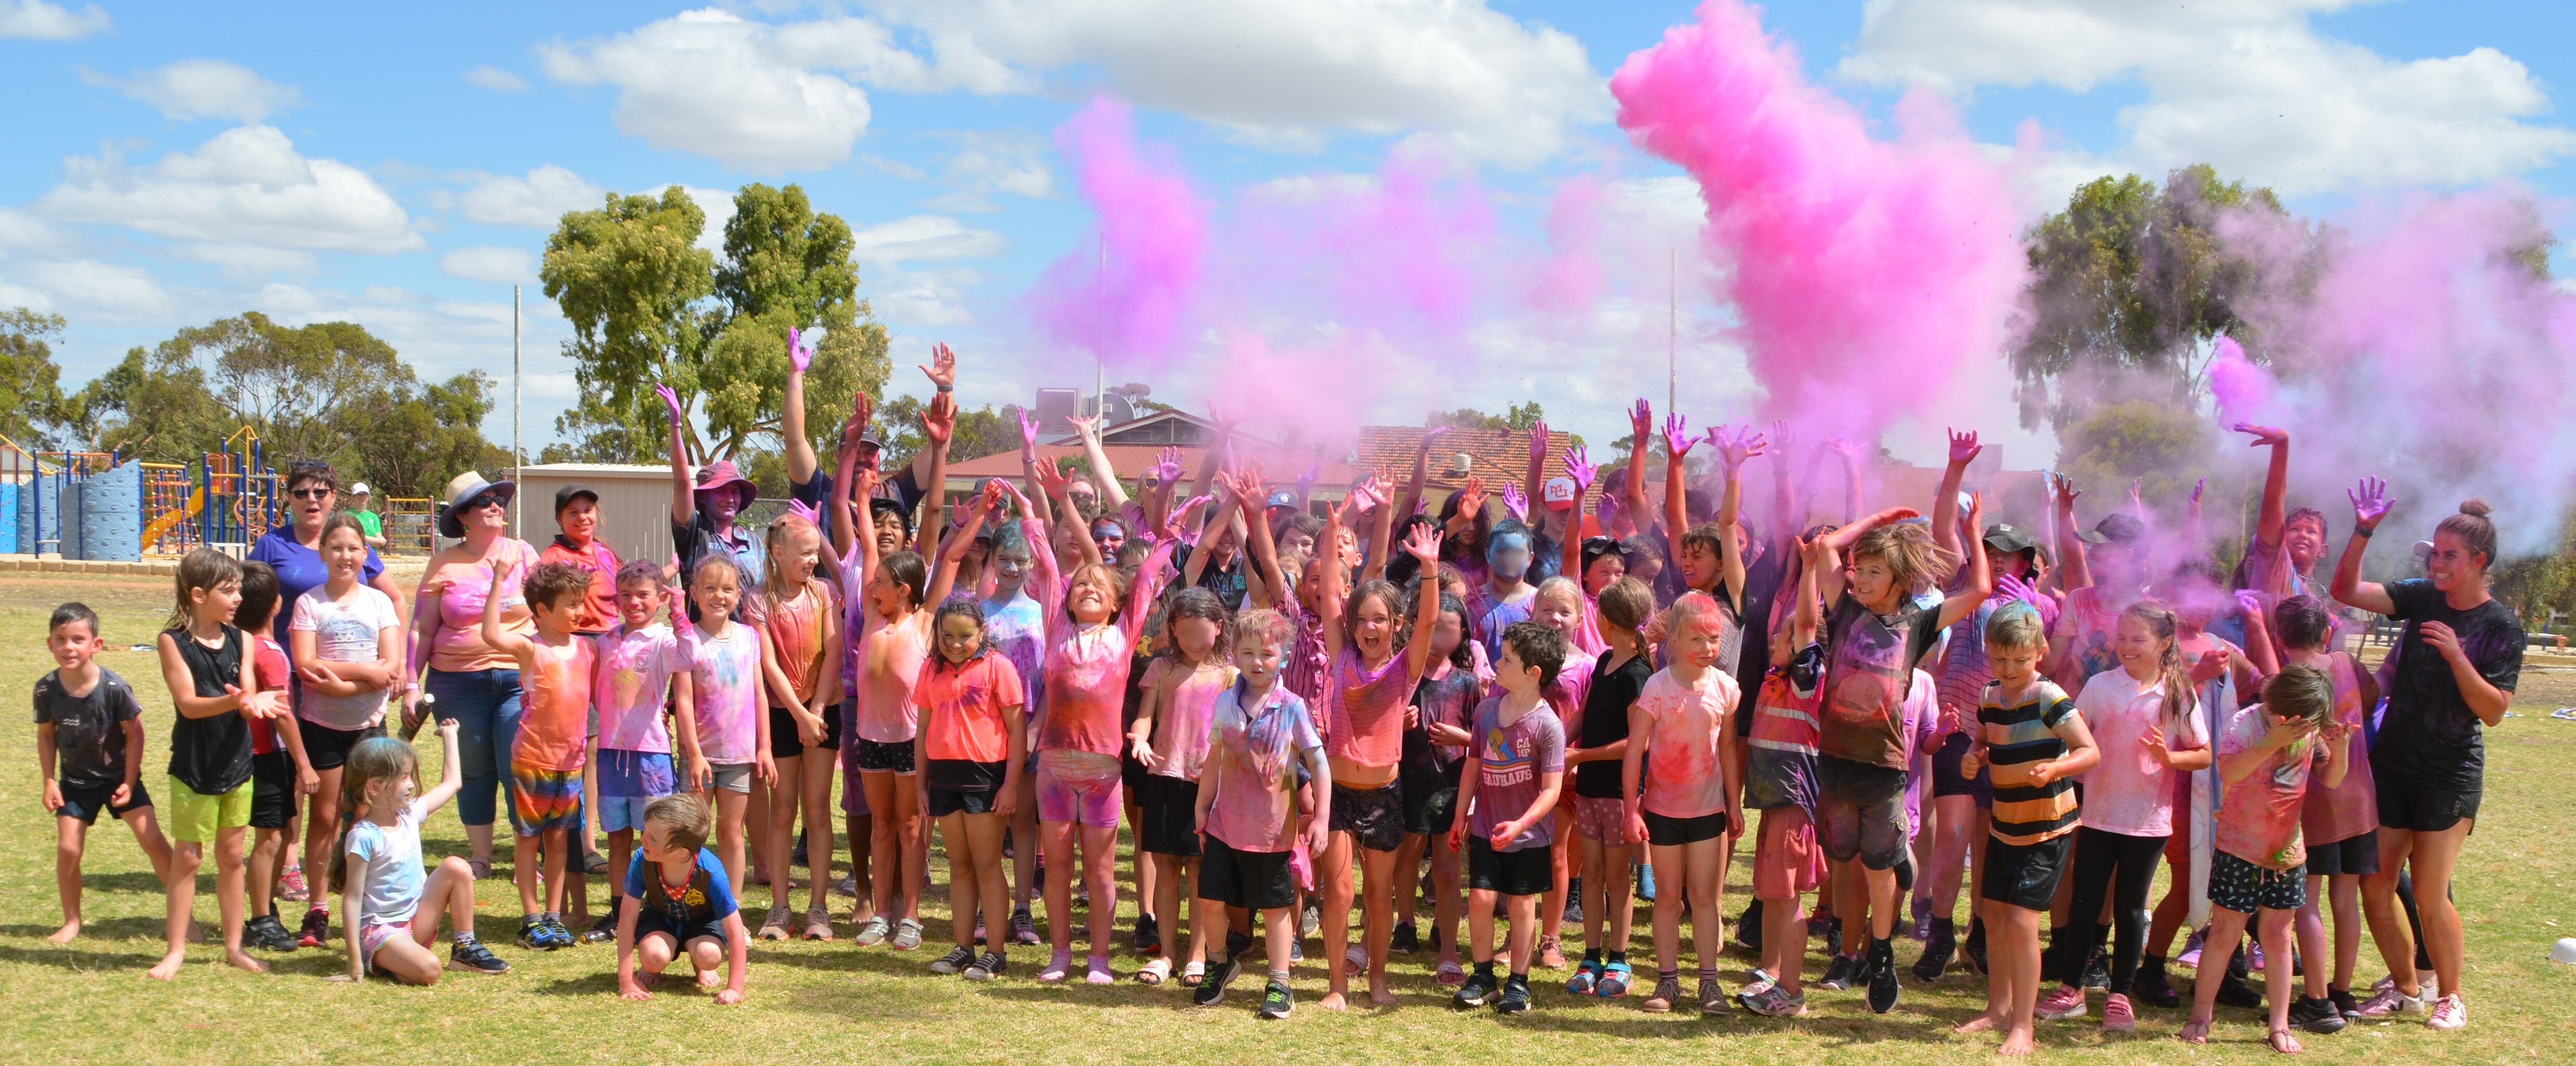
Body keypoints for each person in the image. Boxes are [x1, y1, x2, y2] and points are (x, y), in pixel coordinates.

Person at [2331, 489, 2520, 1030]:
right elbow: (2347, 590)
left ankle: (2451, 996)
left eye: (2449, 556)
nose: (2436, 564)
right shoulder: (2421, 597)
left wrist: (2458, 656)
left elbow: (2495, 711)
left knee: (2433, 895)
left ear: (2479, 561)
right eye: (2433, 554)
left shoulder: (2501, 626)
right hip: (2394, 765)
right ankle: (2408, 989)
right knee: (2375, 883)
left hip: (2448, 772)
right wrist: (2363, 529)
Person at [1810, 493, 1994, 1013]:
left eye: (1875, 572)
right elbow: (1826, 547)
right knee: (1845, 862)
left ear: (1901, 581)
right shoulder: (1844, 610)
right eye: (1860, 570)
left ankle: (1883, 952)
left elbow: (1980, 588)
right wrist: (1875, 522)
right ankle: (1849, 951)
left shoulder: (1917, 621)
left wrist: (1974, 530)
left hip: (1885, 767)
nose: (1862, 580)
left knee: (1876, 868)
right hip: (1837, 762)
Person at [1024, 452, 1177, 985]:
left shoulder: (1123, 634)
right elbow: (1046, 560)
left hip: (1103, 771)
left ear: (1116, 603)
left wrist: (1169, 535)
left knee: (1102, 869)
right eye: (1081, 584)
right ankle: (1060, 954)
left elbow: (1152, 574)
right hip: (1054, 767)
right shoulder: (1056, 630)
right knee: (1059, 868)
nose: (1088, 587)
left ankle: (1099, 959)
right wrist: (1036, 505)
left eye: (1099, 585)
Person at [2038, 602, 2210, 1031]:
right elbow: (2073, 740)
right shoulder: (2099, 686)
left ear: (2164, 644)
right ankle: (2070, 989)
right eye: (2122, 637)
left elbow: (2203, 753)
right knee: (2085, 902)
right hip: (2097, 814)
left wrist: (2166, 756)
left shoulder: (2177, 692)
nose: (2126, 647)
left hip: (2147, 820)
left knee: (2131, 908)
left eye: (2138, 640)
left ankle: (2119, 996)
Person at [251, 460, 406, 902]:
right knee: (299, 779)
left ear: (335, 496)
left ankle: (347, 873)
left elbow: (392, 599)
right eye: (301, 493)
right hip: (293, 677)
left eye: (320, 492)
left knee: (354, 797)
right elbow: (251, 604)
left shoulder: (352, 546)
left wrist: (394, 671)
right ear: (288, 498)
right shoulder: (270, 545)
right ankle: (292, 866)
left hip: (354, 694)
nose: (311, 500)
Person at [1313, 502, 1446, 1009]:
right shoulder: (1342, 655)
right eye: (1362, 619)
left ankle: (1378, 982)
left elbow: (1430, 620)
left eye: (1380, 620)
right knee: (1340, 893)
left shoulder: (1403, 671)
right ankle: (1337, 986)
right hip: (1341, 796)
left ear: (1396, 625)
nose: (1370, 628)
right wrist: (1331, 533)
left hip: (1386, 797)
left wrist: (1430, 568)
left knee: (1377, 896)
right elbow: (1329, 592)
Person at [1952, 601, 2096, 1056]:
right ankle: (1998, 1009)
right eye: (1999, 659)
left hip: (2046, 829)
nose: (2008, 668)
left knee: (2020, 922)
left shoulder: (2050, 697)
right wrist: (1973, 756)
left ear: (2038, 653)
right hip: (2004, 825)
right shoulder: (1989, 695)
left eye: (2018, 659)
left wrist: (2056, 770)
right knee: (1992, 916)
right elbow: (1982, 739)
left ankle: (2023, 1026)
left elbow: (2088, 751)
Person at [2182, 666, 2351, 1053]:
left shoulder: (2307, 727)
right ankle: (2200, 1015)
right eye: (2286, 716)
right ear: (2275, 701)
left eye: (2302, 721)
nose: (2292, 725)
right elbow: (2228, 772)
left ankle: (2279, 1023)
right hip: (2238, 846)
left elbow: (2332, 780)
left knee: (2277, 937)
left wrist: (2339, 751)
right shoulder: (2245, 723)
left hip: (2286, 852)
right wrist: (2271, 742)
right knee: (2225, 932)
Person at [840, 471, 975, 951]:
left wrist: (978, 516)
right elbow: (868, 547)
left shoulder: (924, 622)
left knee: (913, 825)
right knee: (881, 824)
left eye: (880, 583)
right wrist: (861, 496)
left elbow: (954, 556)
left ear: (904, 589)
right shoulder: (873, 617)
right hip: (871, 738)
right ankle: (881, 913)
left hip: (910, 741)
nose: (871, 586)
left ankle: (912, 916)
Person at [149, 547, 289, 980]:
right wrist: (237, 700)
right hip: (194, 767)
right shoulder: (171, 642)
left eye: (238, 590)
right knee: (188, 859)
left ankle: (234, 947)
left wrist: (256, 704)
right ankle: (175, 950)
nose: (237, 599)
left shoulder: (242, 640)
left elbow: (247, 704)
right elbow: (189, 705)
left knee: (231, 857)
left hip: (237, 765)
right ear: (197, 594)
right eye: (228, 591)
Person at [1189, 608, 1330, 1018]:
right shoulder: (1223, 704)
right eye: (1248, 652)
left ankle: (1279, 983)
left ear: (1284, 657)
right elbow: (1214, 760)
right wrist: (1201, 808)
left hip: (1272, 830)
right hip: (1222, 825)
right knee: (1211, 900)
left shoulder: (1292, 707)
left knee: (1274, 909)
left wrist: (1320, 818)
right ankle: (1219, 962)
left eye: (1267, 654)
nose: (1257, 662)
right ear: (1233, 652)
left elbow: (1319, 764)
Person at [404, 470, 541, 878]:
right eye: (484, 501)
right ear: (463, 516)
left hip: (518, 679)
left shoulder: (523, 553)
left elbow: (547, 610)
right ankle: (480, 856)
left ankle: (525, 859)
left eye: (498, 499)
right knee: (474, 768)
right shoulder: (443, 563)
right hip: (456, 681)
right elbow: (422, 628)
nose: (496, 506)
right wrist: (411, 684)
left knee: (518, 766)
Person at [1620, 591, 1744, 1015]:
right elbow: (1635, 749)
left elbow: (1727, 749)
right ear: (1673, 639)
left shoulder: (1726, 689)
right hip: (1662, 812)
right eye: (1696, 639)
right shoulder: (1656, 686)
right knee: (1669, 897)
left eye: (1714, 639)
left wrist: (1733, 802)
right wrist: (1630, 809)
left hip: (1708, 812)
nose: (1707, 648)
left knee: (1705, 898)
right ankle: (1668, 982)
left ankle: (1710, 985)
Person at [288, 512, 403, 950]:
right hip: (322, 726)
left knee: (370, 818)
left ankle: (369, 911)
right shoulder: (309, 604)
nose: (345, 556)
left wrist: (353, 681)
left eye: (354, 548)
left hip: (370, 726)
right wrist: (365, 674)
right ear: (322, 553)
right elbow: (306, 665)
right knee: (324, 818)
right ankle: (318, 909)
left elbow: (391, 666)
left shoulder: (379, 603)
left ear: (365, 553)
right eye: (336, 547)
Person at [1448, 620, 1571, 1016]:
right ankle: (1483, 977)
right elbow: (1472, 765)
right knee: (1481, 899)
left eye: (1506, 659)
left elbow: (1551, 791)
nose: (1497, 664)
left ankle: (1518, 982)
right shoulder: (1485, 711)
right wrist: (1460, 815)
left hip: (1528, 837)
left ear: (1533, 673)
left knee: (1521, 905)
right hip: (1485, 826)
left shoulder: (1547, 725)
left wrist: (1520, 825)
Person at [476, 557, 597, 951]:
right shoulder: (531, 649)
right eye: (571, 604)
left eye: (582, 602)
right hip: (532, 760)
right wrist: (498, 580)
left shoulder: (586, 650)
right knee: (529, 840)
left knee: (559, 839)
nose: (580, 612)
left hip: (571, 763)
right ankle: (531, 919)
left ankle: (553, 916)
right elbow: (491, 633)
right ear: (543, 611)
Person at [36, 602, 174, 944]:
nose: (69, 647)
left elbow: (135, 733)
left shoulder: (114, 688)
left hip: (118, 781)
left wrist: (129, 782)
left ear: (95, 645)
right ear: (50, 644)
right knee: (69, 849)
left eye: (78, 639)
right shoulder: (45, 689)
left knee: (154, 842)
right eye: (61, 639)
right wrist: (50, 782)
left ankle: (182, 918)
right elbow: (46, 735)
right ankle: (72, 921)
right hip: (75, 784)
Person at [2274, 594, 2380, 1033]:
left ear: (2281, 637)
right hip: (2361, 800)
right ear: (2325, 632)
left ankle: (2317, 1001)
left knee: (2308, 903)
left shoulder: (2288, 680)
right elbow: (2372, 697)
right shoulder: (2345, 662)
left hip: (2315, 805)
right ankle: (2341, 992)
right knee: (2346, 900)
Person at [330, 726, 510, 982]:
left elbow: (453, 783)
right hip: (380, 932)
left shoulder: (409, 815)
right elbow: (353, 900)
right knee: (430, 970)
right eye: (403, 777)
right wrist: (354, 964)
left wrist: (451, 736)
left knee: (457, 867)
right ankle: (397, 961)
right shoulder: (364, 836)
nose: (412, 785)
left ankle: (464, 948)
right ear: (375, 787)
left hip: (415, 922)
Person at [1736, 537, 1829, 1018]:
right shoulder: (1775, 681)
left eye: (1781, 639)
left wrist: (1809, 568)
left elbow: (1807, 627)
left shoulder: (1804, 681)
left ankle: (1791, 994)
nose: (1774, 644)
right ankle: (1773, 974)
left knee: (1788, 898)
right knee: (1772, 894)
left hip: (1794, 804)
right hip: (1773, 804)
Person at [914, 597, 1028, 980]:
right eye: (947, 635)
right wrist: (920, 784)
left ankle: (995, 953)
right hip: (944, 777)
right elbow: (922, 733)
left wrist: (1010, 785)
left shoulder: (1000, 668)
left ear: (982, 632)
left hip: (985, 776)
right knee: (959, 866)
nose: (955, 643)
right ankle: (963, 947)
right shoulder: (931, 668)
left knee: (987, 865)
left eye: (965, 636)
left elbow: (1017, 732)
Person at [1129, 587, 1237, 986]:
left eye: (1201, 634)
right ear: (1172, 631)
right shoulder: (1161, 669)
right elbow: (1145, 716)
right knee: (1165, 869)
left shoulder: (1230, 674)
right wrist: (1139, 738)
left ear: (1219, 628)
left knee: (1199, 872)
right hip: (1164, 778)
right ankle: (1167, 955)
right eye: (1184, 634)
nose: (1192, 643)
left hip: (1207, 786)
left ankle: (1198, 954)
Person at [589, 560, 699, 945]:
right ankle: (620, 912)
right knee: (617, 838)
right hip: (610, 755)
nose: (634, 602)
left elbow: (691, 658)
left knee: (653, 839)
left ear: (658, 597)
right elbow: (595, 693)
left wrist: (680, 613)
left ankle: (654, 910)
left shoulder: (663, 640)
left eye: (643, 595)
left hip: (650, 756)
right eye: (626, 595)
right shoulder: (605, 641)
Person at [754, 512, 844, 942]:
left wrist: (818, 710)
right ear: (777, 553)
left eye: (816, 553)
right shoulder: (759, 600)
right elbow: (767, 663)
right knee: (782, 808)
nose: (813, 561)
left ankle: (819, 908)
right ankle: (779, 907)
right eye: (805, 553)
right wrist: (799, 714)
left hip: (823, 710)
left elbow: (834, 652)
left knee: (817, 809)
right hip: (781, 711)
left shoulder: (824, 593)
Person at [1565, 577, 1656, 999]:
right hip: (1588, 789)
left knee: (1618, 877)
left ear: (1604, 618)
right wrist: (1559, 746)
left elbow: (1638, 743)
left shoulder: (1638, 674)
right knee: (1592, 873)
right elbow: (1581, 717)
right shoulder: (1603, 662)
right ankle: (1591, 956)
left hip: (1621, 792)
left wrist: (1580, 757)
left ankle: (1619, 958)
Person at [1406, 590, 1487, 986]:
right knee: (1401, 862)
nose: (1438, 635)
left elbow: (1485, 739)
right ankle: (1402, 927)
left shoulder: (1467, 682)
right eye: (1431, 627)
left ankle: (1448, 949)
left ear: (1463, 635)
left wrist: (1461, 737)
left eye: (1447, 628)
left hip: (1450, 785)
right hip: (1407, 779)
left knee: (1446, 869)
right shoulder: (1405, 675)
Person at [235, 561, 317, 953]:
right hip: (267, 756)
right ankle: (261, 918)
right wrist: (303, 763)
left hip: (242, 756)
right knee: (269, 839)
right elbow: (282, 714)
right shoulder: (270, 653)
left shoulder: (233, 643)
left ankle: (261, 911)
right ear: (276, 604)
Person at [677, 553, 772, 893]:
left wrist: (765, 748)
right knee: (691, 835)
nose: (719, 596)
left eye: (727, 589)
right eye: (710, 588)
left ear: (738, 595)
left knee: (732, 833)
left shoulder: (749, 638)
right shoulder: (687, 639)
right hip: (699, 757)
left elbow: (759, 694)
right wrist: (694, 754)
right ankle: (688, 906)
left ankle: (730, 909)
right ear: (694, 593)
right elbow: (684, 701)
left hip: (739, 757)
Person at [616, 792, 752, 1004]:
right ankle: (652, 966)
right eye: (645, 831)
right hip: (659, 918)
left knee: (709, 956)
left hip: (702, 923)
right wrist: (627, 980)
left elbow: (735, 934)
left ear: (681, 853)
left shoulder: (712, 873)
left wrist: (735, 988)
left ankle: (700, 966)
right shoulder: (642, 860)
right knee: (654, 957)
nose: (643, 840)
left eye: (653, 838)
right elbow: (627, 918)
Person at [658, 384, 766, 600]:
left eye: (735, 491)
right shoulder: (694, 534)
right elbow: (681, 483)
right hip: (702, 633)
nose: (729, 498)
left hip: (748, 633)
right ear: (704, 498)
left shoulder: (754, 541)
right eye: (720, 491)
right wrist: (675, 425)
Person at [344, 482, 387, 551]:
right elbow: (352, 537)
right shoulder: (347, 515)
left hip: (372, 557)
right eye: (359, 495)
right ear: (353, 497)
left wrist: (377, 541)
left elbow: (380, 541)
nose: (362, 498)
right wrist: (377, 541)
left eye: (365, 495)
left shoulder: (374, 517)